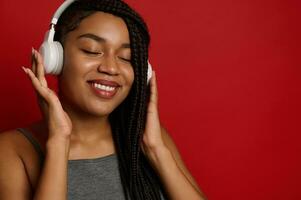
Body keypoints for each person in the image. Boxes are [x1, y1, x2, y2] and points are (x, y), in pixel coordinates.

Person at [0, 0, 206, 199]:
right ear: (56, 58)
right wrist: (59, 142)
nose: (110, 68)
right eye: (92, 50)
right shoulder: (12, 150)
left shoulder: (150, 138)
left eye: (126, 57)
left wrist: (156, 151)